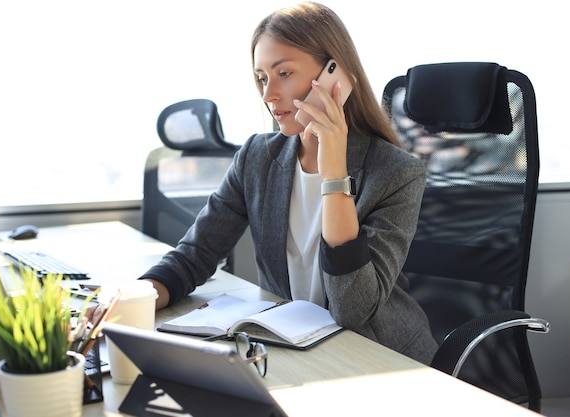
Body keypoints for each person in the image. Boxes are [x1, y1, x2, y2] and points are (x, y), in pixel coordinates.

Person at [140, 1, 438, 364]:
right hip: (295, 350)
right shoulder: (256, 158)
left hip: (380, 357)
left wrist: (334, 176)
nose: (268, 95)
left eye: (283, 73)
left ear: (335, 75)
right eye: (262, 78)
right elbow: (194, 256)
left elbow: (352, 309)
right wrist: (134, 299)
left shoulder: (395, 172)